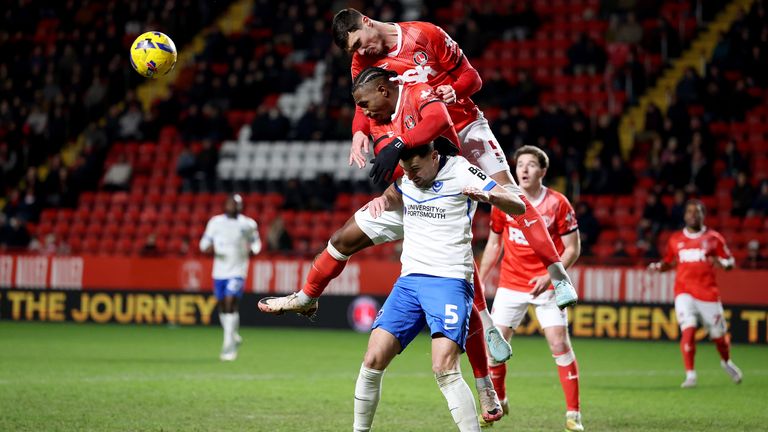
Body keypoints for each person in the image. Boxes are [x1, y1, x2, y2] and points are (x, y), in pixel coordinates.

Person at [261, 6, 577, 344]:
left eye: (359, 43)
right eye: (353, 50)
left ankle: (557, 275)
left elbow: (473, 78)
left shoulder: (424, 34)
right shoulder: (362, 64)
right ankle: (486, 328)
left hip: (464, 126)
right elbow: (362, 105)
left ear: (366, 22)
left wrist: (455, 90)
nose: (360, 52)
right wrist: (358, 132)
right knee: (448, 237)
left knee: (511, 196)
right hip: (424, 147)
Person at [262, 68, 509, 423]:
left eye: (365, 104)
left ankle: (484, 383)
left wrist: (397, 145)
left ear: (383, 90)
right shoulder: (375, 119)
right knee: (341, 239)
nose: (363, 111)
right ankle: (307, 296)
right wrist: (360, 137)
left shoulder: (416, 94)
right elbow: (397, 166)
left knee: (458, 282)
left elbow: (439, 120)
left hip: (444, 198)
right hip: (404, 197)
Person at [353, 142, 524, 432]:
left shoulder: (462, 170)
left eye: (416, 169)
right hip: (409, 282)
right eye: (406, 171)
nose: (412, 176)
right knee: (372, 360)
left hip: (449, 281)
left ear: (434, 156)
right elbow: (396, 192)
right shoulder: (409, 177)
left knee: (444, 368)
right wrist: (383, 200)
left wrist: (489, 196)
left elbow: (518, 205)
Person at [478, 146, 584, 432]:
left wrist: (549, 278)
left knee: (559, 344)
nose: (524, 169)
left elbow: (573, 248)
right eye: (520, 164)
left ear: (543, 171)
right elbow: (494, 244)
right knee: (495, 348)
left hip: (546, 286)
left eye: (531, 164)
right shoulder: (504, 199)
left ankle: (573, 415)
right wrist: (480, 278)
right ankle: (499, 401)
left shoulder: (558, 203)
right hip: (511, 284)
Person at [648, 200, 743, 388]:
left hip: (708, 294)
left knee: (719, 335)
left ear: (703, 215)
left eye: (697, 212)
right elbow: (669, 261)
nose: (693, 215)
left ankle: (726, 361)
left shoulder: (714, 238)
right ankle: (690, 375)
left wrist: (724, 264)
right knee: (688, 330)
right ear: (684, 215)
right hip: (683, 292)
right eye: (690, 212)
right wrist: (658, 267)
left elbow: (730, 261)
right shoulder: (675, 239)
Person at [199, 194, 261, 361]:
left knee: (230, 302)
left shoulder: (248, 224)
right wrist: (208, 248)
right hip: (219, 271)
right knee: (222, 306)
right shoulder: (215, 222)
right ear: (225, 205)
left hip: (238, 270)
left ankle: (228, 347)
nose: (233, 206)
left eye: (236, 204)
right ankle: (233, 336)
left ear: (241, 206)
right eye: (230, 203)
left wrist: (254, 250)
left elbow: (256, 242)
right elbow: (203, 244)